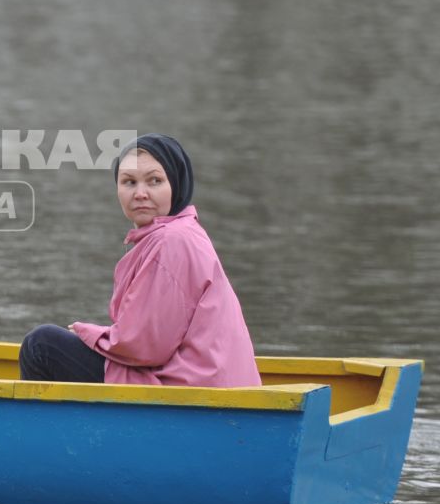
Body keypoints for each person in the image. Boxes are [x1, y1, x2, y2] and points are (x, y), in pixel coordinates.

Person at [19, 134, 261, 388]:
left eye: (155, 181)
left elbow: (147, 346)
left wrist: (88, 333)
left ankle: (36, 429)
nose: (140, 193)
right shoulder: (184, 232)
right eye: (129, 182)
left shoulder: (172, 241)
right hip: (206, 380)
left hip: (193, 391)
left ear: (176, 184)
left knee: (41, 345)